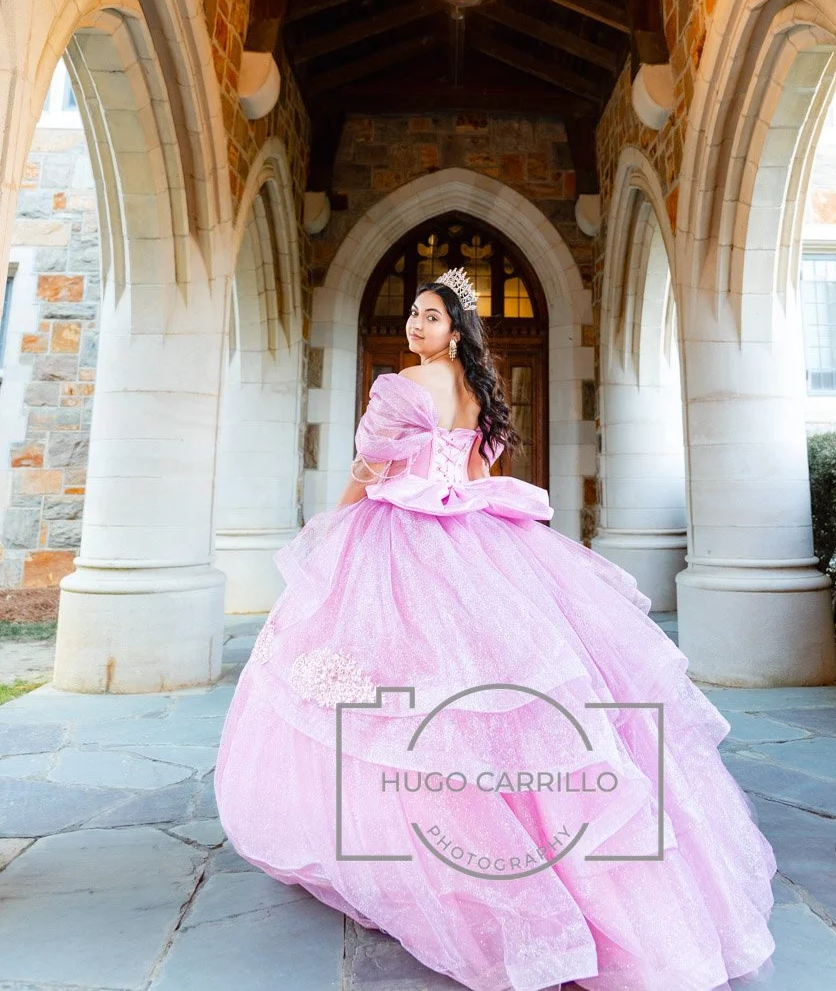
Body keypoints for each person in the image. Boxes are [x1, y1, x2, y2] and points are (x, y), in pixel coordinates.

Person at [214, 266, 777, 991]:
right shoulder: (478, 391)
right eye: (414, 314)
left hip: (401, 536)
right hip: (477, 538)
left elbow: (368, 465)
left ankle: (428, 854)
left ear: (455, 330)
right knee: (490, 685)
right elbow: (476, 475)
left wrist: (335, 524)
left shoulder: (399, 387)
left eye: (430, 317)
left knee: (387, 691)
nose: (417, 326)